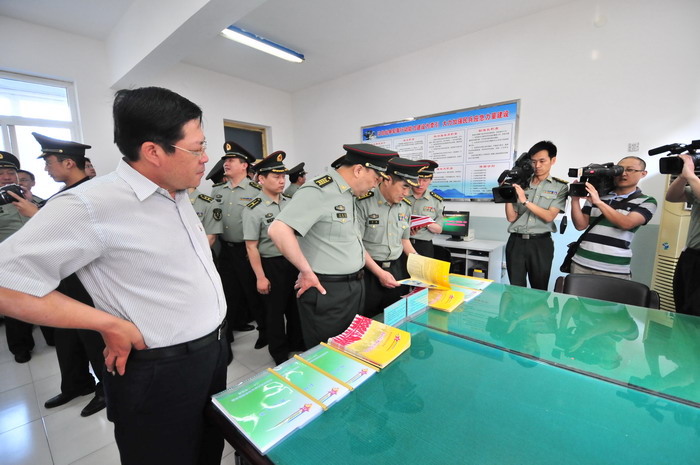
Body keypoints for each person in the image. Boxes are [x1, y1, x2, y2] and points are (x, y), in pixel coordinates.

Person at [0, 86, 227, 465]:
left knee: (208, 450)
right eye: (197, 148)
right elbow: (6, 282)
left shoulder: (177, 191)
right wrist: (107, 323)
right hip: (159, 371)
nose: (206, 158)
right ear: (153, 151)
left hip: (212, 353)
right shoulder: (90, 205)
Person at [268, 143, 395, 348]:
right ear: (359, 170)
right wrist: (306, 271)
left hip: (354, 287)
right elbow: (278, 230)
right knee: (328, 353)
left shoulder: (348, 194)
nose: (375, 185)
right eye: (376, 178)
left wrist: (379, 272)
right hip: (328, 291)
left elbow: (351, 241)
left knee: (350, 348)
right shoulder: (319, 190)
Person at [32, 132, 108, 417]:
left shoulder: (91, 194)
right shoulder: (61, 196)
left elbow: (76, 235)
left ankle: (107, 388)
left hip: (87, 277)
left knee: (93, 336)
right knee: (66, 335)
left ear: (68, 163)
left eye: (49, 162)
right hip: (62, 275)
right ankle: (76, 383)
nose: (46, 169)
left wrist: (35, 216)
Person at [243, 151, 304, 365]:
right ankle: (279, 352)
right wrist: (260, 277)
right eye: (276, 176)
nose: (281, 181)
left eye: (283, 176)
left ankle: (296, 342)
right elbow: (251, 246)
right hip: (271, 265)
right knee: (275, 312)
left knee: (295, 307)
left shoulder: (289, 202)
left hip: (293, 262)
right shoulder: (253, 209)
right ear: (261, 178)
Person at [211, 141, 266, 348]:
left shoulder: (256, 191)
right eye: (225, 160)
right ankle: (229, 333)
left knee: (254, 294)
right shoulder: (218, 191)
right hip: (225, 249)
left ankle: (265, 333)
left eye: (231, 160)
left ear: (244, 165)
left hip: (248, 250)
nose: (226, 163)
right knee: (228, 292)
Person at [357, 157, 426, 317]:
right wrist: (379, 273)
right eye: (404, 187)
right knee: (369, 320)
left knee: (395, 317)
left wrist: (422, 265)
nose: (407, 193)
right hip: (369, 272)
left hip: (396, 271)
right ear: (387, 180)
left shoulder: (405, 206)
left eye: (410, 188)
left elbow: (404, 240)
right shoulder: (363, 202)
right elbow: (357, 244)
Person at [569, 156, 657, 279]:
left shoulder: (647, 201)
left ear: (643, 173)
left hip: (614, 268)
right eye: (619, 169)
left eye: (630, 170)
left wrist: (599, 202)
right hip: (581, 262)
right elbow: (580, 225)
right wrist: (575, 200)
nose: (623, 174)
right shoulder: (599, 195)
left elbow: (627, 224)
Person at [0, 152, 50, 362]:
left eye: (10, 172)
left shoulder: (34, 199)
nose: (6, 177)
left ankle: (53, 336)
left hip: (39, 259)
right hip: (9, 264)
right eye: (0, 173)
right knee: (16, 308)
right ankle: (21, 347)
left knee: (48, 298)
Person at [504, 140, 567, 290]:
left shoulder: (560, 187)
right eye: (533, 161)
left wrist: (525, 201)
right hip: (516, 242)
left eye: (542, 161)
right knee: (515, 289)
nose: (537, 165)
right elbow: (511, 218)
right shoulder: (521, 183)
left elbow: (549, 216)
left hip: (541, 244)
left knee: (539, 290)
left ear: (553, 160)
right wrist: (507, 194)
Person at [665, 154, 700, 316]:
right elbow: (672, 197)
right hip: (691, 257)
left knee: (695, 311)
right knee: (682, 306)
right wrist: (682, 177)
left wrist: (691, 175)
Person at [407, 159, 444, 257]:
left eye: (425, 180)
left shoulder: (436, 200)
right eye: (418, 179)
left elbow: (439, 229)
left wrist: (425, 222)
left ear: (430, 181)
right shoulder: (402, 195)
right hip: (401, 243)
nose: (420, 184)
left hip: (424, 246)